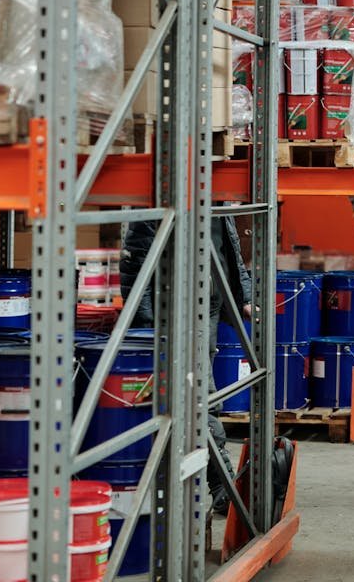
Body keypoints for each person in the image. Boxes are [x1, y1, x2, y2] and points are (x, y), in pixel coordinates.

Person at [120, 215, 251, 515]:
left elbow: (227, 244)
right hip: (179, 307)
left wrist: (243, 294)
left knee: (204, 397)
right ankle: (222, 483)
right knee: (200, 398)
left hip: (210, 305)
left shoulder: (218, 192)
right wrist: (143, 321)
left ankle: (218, 483)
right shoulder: (165, 188)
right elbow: (135, 257)